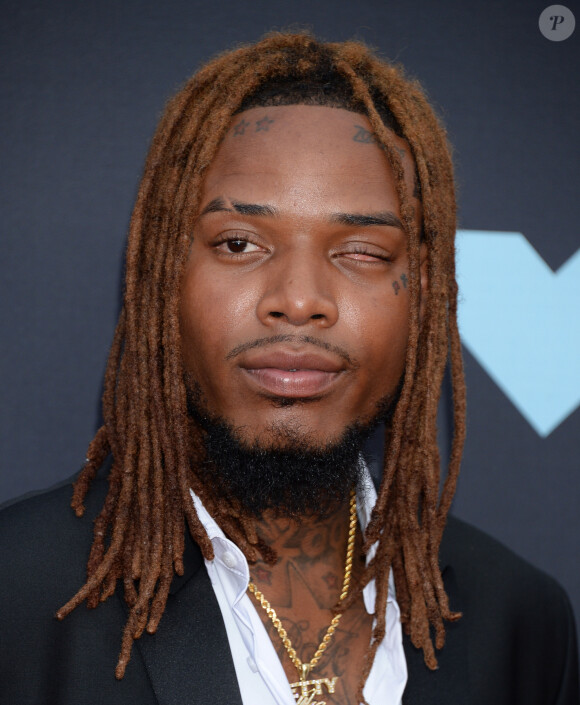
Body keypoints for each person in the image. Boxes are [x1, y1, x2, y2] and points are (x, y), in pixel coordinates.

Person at [0, 32, 578, 705]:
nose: (299, 299)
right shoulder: (16, 597)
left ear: (427, 297)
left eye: (361, 251)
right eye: (239, 243)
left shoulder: (523, 622)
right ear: (162, 282)